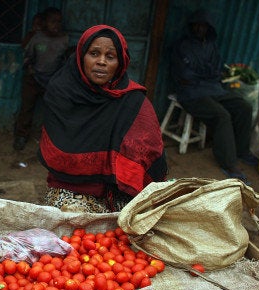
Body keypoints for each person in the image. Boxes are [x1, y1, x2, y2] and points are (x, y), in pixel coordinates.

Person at [38, 25, 168, 213]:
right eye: (94, 53)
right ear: (81, 56)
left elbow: (149, 153)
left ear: (121, 62)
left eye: (110, 56)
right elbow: (60, 155)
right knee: (72, 219)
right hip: (71, 188)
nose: (101, 62)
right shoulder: (61, 92)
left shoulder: (133, 100)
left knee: (139, 223)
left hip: (118, 190)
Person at [170, 9, 258, 182]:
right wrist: (206, 75)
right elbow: (185, 76)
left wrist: (206, 75)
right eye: (196, 25)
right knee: (221, 116)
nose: (199, 29)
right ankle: (229, 164)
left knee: (243, 107)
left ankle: (242, 151)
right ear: (191, 27)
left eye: (202, 26)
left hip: (213, 89)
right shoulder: (182, 46)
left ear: (208, 28)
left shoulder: (211, 46)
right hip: (191, 94)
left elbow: (217, 72)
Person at [13, 7, 69, 151]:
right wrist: (31, 70)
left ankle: (51, 139)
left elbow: (63, 60)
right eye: (53, 21)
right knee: (27, 108)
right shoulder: (37, 38)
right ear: (44, 23)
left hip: (52, 81)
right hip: (33, 79)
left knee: (53, 110)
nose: (56, 25)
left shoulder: (64, 39)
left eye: (59, 22)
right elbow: (28, 56)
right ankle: (21, 136)